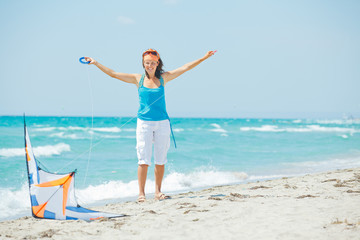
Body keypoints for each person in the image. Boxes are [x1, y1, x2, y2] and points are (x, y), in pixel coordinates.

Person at [84, 49, 216, 202]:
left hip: (162, 123)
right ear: (143, 64)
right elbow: (113, 74)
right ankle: (141, 194)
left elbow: (185, 67)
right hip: (144, 123)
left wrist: (204, 57)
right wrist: (96, 63)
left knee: (160, 160)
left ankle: (158, 192)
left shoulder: (163, 78)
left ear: (157, 63)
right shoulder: (137, 79)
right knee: (143, 160)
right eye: (147, 63)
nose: (150, 65)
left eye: (153, 63)